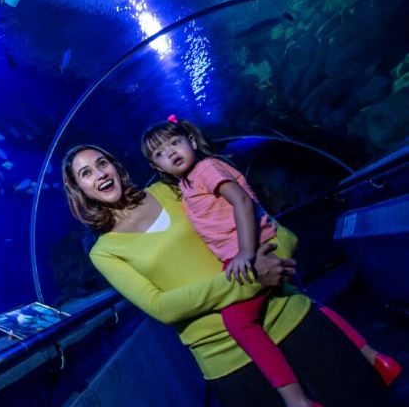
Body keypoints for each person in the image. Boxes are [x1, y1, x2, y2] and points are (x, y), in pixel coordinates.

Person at [62, 144, 392, 407]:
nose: (99, 174)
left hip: (289, 315)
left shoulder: (171, 189)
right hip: (229, 360)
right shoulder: (104, 252)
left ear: (116, 167)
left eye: (102, 163)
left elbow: (251, 213)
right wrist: (250, 277)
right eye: (86, 173)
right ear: (80, 190)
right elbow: (162, 306)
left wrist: (276, 253)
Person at [140, 116, 401, 406]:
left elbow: (241, 202)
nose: (171, 152)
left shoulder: (205, 169)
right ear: (156, 167)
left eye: (175, 142)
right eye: (160, 153)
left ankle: (297, 400)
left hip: (256, 248)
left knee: (237, 322)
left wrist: (246, 252)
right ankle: (376, 359)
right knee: (305, 301)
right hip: (253, 247)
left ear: (190, 139)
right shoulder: (186, 184)